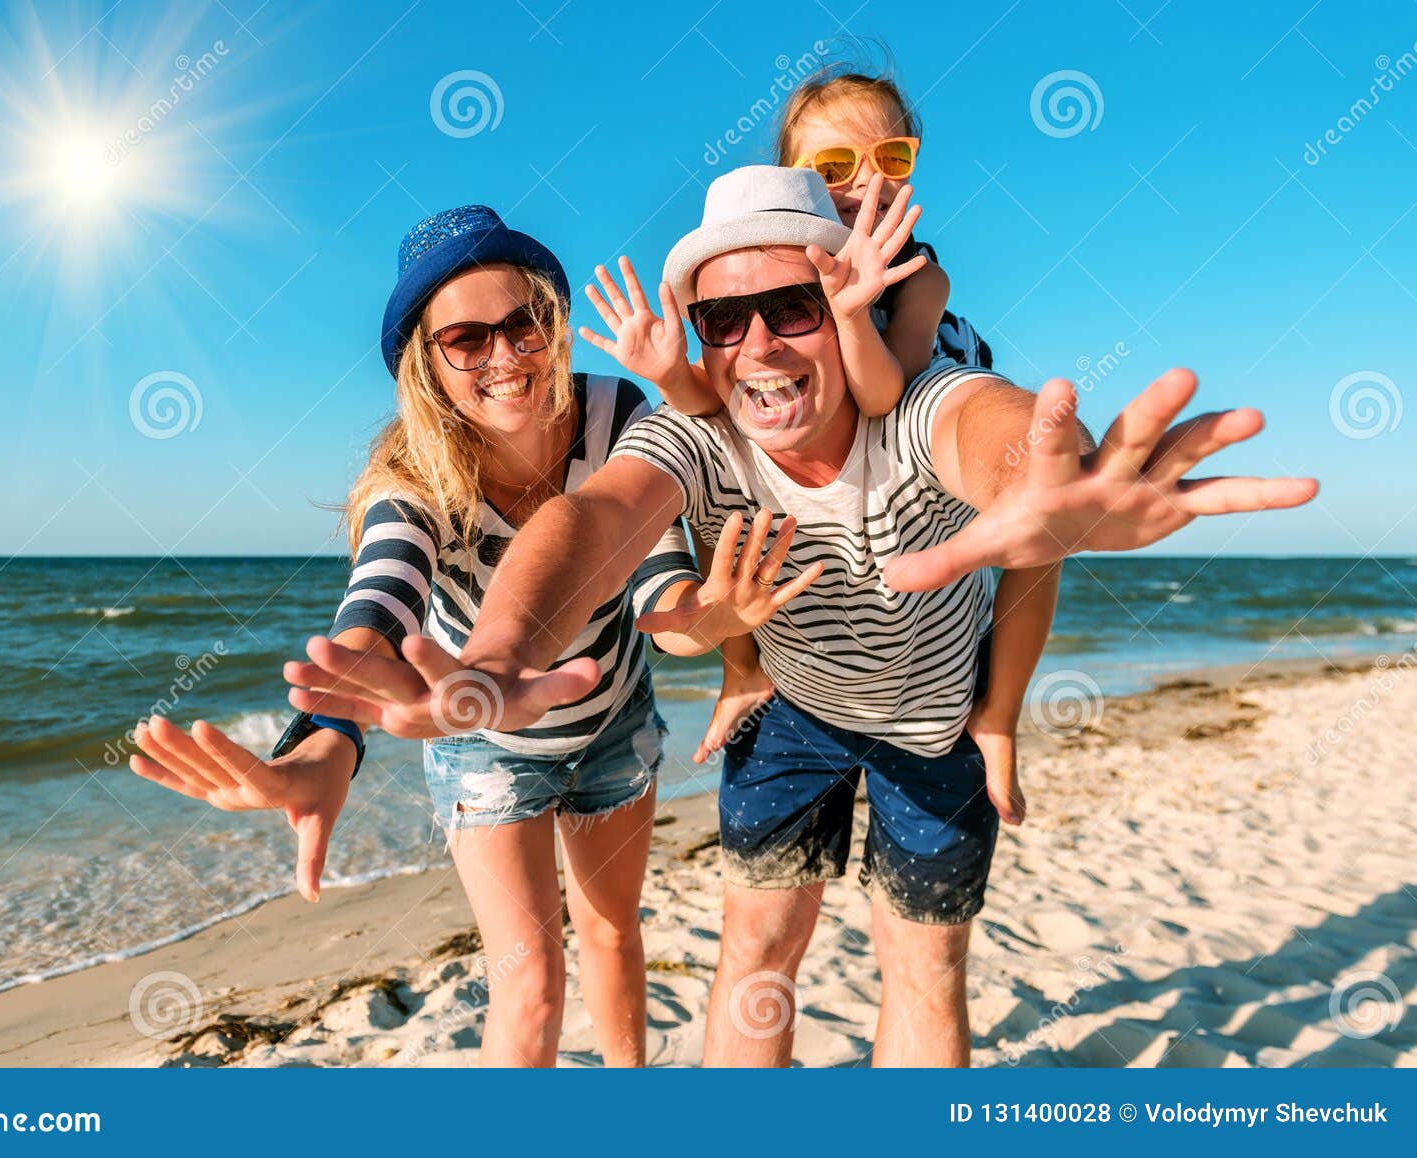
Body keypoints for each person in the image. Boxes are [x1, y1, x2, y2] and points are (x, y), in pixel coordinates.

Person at [300, 165, 1317, 1067]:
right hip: (789, 718)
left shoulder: (918, 405)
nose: (756, 349)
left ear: (849, 304)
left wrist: (1047, 485)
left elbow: (993, 429)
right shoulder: (694, 437)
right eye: (723, 323)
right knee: (754, 955)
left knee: (923, 970)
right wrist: (497, 654)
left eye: (791, 307)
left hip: (930, 728)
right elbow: (592, 520)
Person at [128, 204, 807, 1067]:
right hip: (483, 747)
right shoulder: (413, 480)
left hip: (612, 723)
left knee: (612, 937)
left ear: (553, 326)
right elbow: (377, 614)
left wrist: (707, 620)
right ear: (428, 363)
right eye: (466, 340)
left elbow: (659, 592)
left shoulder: (619, 414)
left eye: (523, 325)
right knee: (529, 986)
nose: (504, 357)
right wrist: (327, 742)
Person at [579, 64, 1052, 825]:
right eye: (833, 167)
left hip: (907, 393)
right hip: (824, 456)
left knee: (1035, 538)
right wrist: (672, 374)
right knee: (723, 490)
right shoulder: (762, 297)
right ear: (789, 183)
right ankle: (742, 671)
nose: (867, 182)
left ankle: (998, 716)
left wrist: (852, 310)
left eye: (891, 158)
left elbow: (882, 395)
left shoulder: (922, 282)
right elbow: (719, 414)